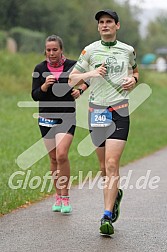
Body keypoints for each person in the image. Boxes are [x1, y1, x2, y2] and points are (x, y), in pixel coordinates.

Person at [69, 9, 139, 235]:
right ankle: (115, 194)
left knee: (111, 164)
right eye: (101, 22)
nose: (105, 25)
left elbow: (136, 72)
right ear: (98, 26)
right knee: (102, 167)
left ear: (117, 25)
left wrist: (133, 80)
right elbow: (71, 78)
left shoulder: (128, 50)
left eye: (109, 22)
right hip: (97, 111)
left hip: (119, 109)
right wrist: (91, 74)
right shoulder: (89, 50)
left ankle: (106, 215)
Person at [31, 35, 88, 214]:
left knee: (62, 154)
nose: (51, 53)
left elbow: (88, 79)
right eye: (48, 50)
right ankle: (57, 196)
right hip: (46, 117)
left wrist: (80, 90)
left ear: (61, 49)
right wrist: (44, 87)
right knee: (54, 158)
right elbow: (34, 95)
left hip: (66, 116)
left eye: (55, 49)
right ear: (45, 51)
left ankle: (66, 196)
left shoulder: (73, 66)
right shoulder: (39, 69)